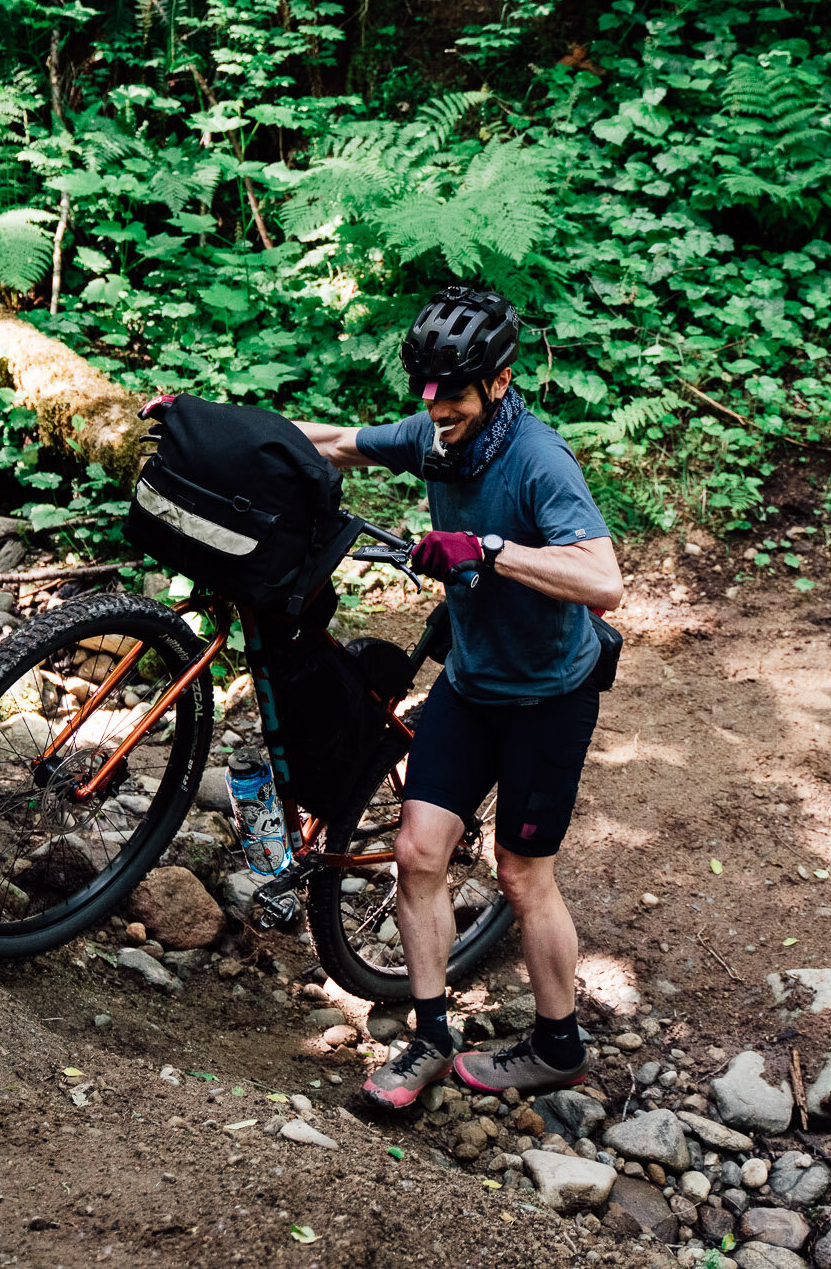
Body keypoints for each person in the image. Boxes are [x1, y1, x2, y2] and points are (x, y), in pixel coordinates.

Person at [293, 287, 623, 1112]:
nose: (435, 410)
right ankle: (432, 1033)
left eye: (454, 394)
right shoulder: (436, 432)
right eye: (428, 393)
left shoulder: (540, 462)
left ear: (500, 383)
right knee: (417, 852)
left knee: (520, 872)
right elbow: (334, 441)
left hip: (551, 694)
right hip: (471, 684)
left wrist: (490, 548)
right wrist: (211, 431)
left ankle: (557, 1043)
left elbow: (603, 580)